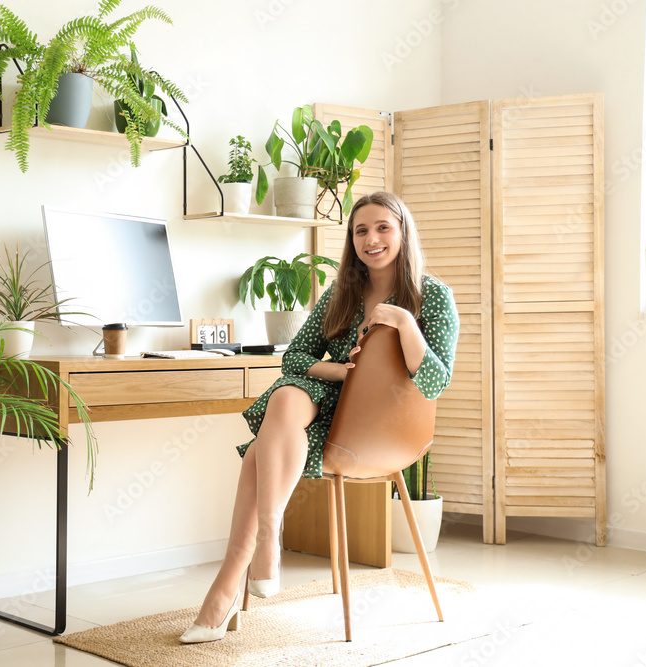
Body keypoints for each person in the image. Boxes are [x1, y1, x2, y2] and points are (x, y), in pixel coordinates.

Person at [179, 191, 460, 644]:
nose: (371, 239)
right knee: (287, 398)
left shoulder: (434, 297)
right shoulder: (342, 293)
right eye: (361, 230)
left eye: (383, 227)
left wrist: (406, 325)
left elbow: (434, 383)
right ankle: (270, 534)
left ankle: (228, 585)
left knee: (261, 448)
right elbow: (295, 357)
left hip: (383, 424)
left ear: (403, 232)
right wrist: (342, 369)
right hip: (327, 405)